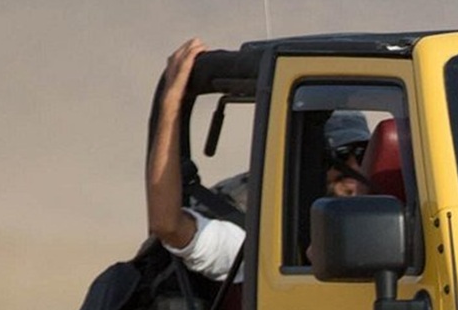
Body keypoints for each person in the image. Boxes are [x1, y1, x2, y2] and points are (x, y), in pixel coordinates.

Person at [147, 37, 371, 283]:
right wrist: (170, 106)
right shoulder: (259, 235)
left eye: (362, 152)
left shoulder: (383, 224)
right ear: (304, 163)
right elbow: (169, 226)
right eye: (338, 156)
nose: (354, 168)